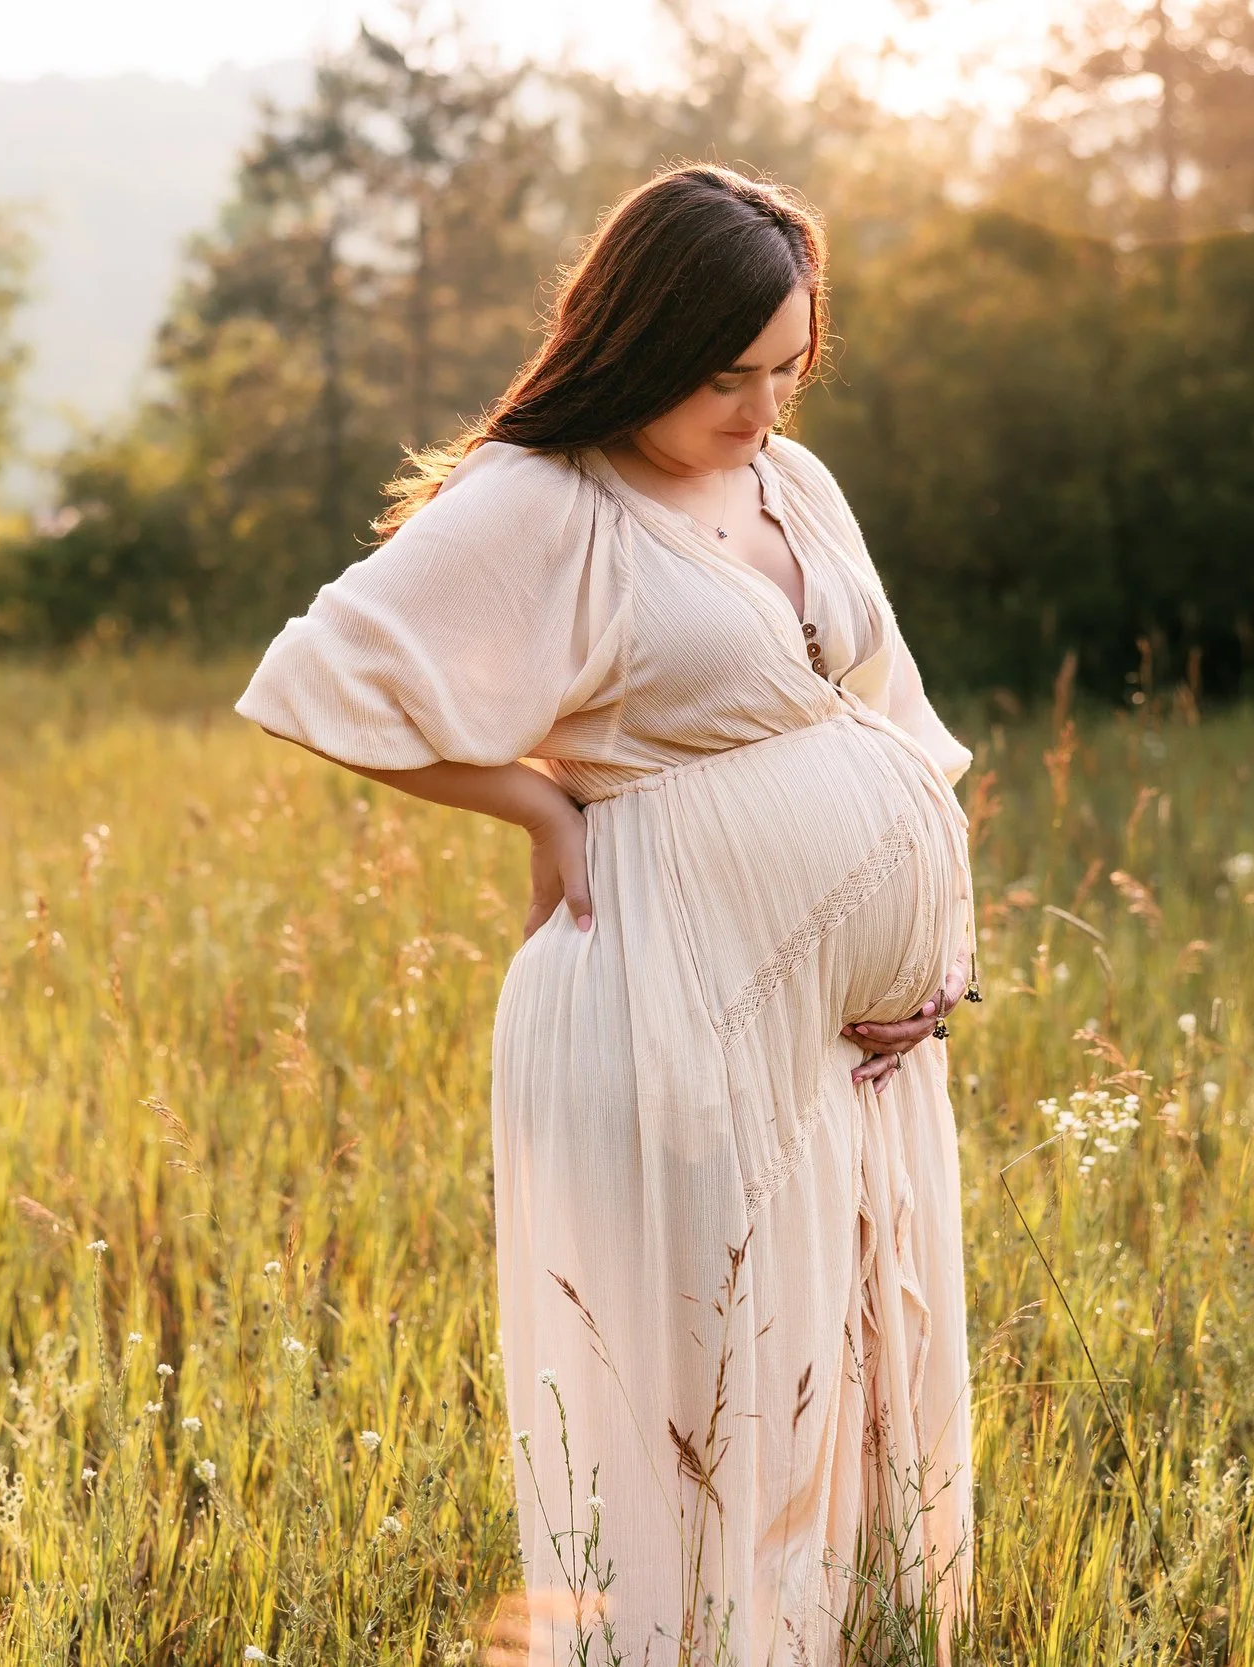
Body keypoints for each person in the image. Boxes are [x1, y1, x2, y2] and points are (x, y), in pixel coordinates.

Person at [237, 163, 976, 1664]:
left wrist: (942, 946)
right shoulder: (544, 499)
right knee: (719, 1378)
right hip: (673, 997)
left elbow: (893, 712)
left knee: (850, 1369)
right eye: (724, 376)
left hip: (856, 1041)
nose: (763, 411)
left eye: (789, 368)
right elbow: (319, 675)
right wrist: (535, 801)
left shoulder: (792, 482)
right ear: (636, 345)